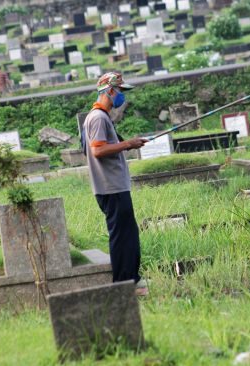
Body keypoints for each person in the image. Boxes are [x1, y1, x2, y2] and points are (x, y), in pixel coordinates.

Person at [84, 72, 149, 296]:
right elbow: (98, 149)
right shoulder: (98, 118)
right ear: (110, 91)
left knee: (128, 234)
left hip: (114, 186)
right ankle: (124, 285)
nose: (121, 95)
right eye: (120, 90)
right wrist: (128, 144)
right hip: (110, 187)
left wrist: (127, 144)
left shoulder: (102, 117)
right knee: (122, 237)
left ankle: (130, 280)